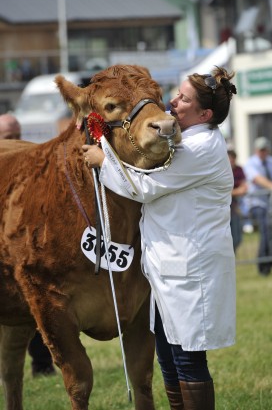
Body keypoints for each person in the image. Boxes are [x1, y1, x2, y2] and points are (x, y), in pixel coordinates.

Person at [82, 66, 237, 409]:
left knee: (188, 360)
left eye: (183, 99)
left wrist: (102, 159)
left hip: (190, 268)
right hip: (169, 267)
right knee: (167, 357)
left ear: (204, 114)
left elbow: (144, 187)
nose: (173, 102)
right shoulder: (186, 139)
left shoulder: (201, 148)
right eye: (177, 93)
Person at [0, 113, 55, 376]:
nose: (15, 142)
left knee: (34, 308)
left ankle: (42, 366)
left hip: (27, 249)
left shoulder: (31, 161)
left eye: (16, 135)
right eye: (8, 138)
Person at [244, 137, 272, 276]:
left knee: (270, 234)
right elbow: (257, 179)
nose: (263, 152)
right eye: (261, 150)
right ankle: (263, 266)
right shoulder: (251, 163)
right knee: (265, 232)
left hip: (271, 204)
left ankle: (271, 261)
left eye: (265, 149)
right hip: (257, 203)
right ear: (256, 150)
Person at [227, 148, 248, 253]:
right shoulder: (222, 170)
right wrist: (236, 191)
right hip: (224, 208)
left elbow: (244, 188)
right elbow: (222, 191)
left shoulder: (239, 170)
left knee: (237, 237)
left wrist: (231, 192)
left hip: (235, 207)